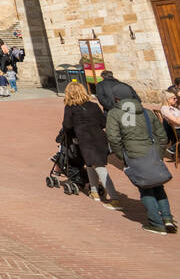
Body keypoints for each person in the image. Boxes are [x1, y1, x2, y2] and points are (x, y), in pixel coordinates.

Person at [106, 95, 175, 234]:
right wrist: (158, 154)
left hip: (133, 154)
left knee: (145, 187)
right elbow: (162, 136)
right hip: (151, 152)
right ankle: (167, 218)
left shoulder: (114, 114)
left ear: (117, 99)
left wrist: (122, 156)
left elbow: (113, 138)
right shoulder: (147, 112)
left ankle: (156, 223)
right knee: (158, 186)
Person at [60, 82, 122, 209]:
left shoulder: (70, 108)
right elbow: (103, 122)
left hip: (86, 141)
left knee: (100, 168)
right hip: (99, 138)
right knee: (89, 165)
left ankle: (114, 197)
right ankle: (94, 191)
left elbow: (67, 126)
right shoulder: (93, 106)